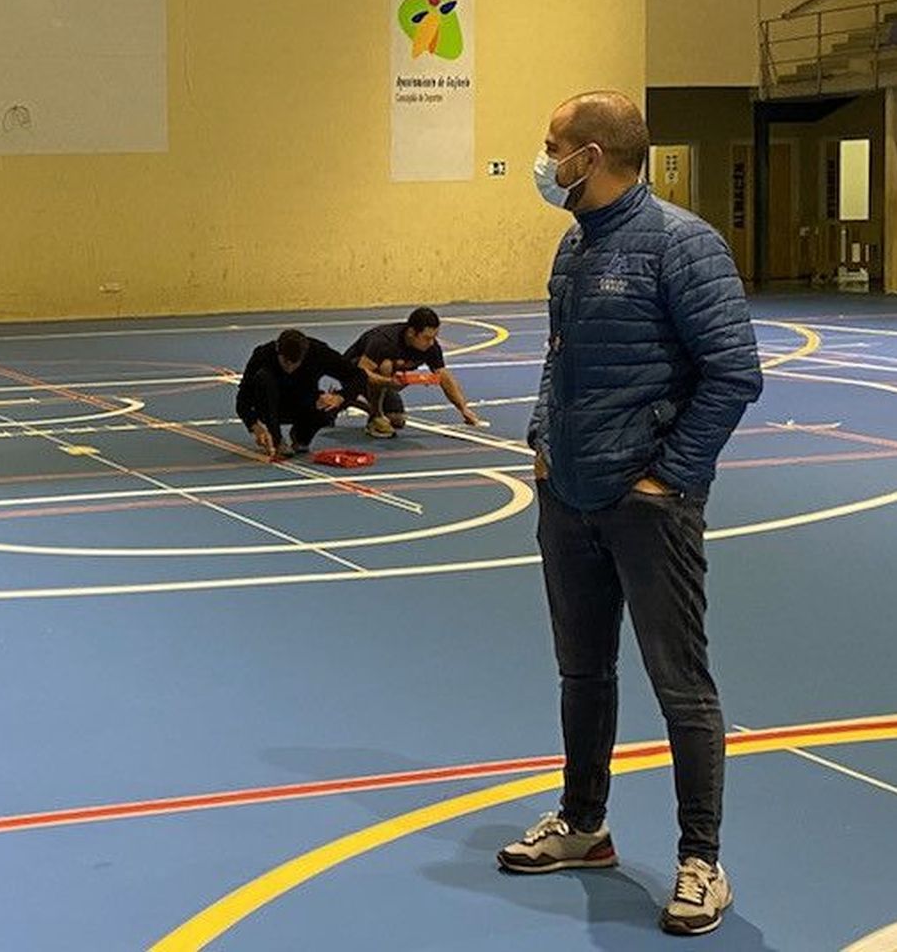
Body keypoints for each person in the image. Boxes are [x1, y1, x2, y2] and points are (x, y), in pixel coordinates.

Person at [496, 90, 761, 938]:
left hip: (647, 510)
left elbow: (734, 373)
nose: (545, 161)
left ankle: (701, 860)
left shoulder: (683, 245)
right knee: (583, 673)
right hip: (568, 498)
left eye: (553, 147)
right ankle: (584, 824)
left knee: (681, 687)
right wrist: (543, 442)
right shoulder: (575, 244)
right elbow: (560, 357)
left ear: (593, 156)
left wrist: (667, 478)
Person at [343, 307, 480, 438]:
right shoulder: (384, 341)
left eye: (434, 337)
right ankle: (375, 416)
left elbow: (443, 376)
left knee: (396, 419)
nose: (431, 343)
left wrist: (463, 408)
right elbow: (360, 372)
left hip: (381, 381)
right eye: (427, 338)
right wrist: (388, 382)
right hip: (351, 373)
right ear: (411, 333)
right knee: (386, 365)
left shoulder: (431, 347)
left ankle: (351, 401)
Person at [235, 329, 368, 458]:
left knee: (326, 406)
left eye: (295, 363)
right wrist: (254, 426)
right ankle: (276, 438)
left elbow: (359, 376)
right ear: (278, 351)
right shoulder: (262, 355)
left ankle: (301, 436)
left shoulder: (319, 353)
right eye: (285, 362)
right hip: (269, 406)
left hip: (304, 402)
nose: (289, 368)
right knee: (263, 378)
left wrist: (340, 397)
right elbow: (242, 399)